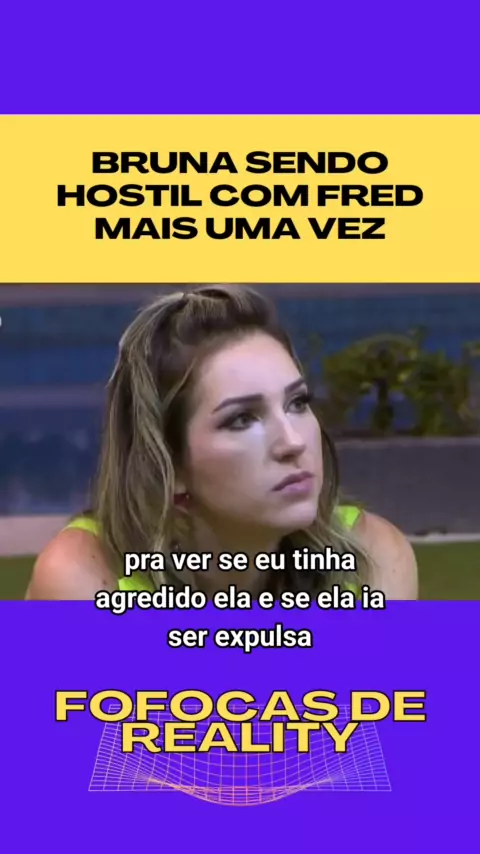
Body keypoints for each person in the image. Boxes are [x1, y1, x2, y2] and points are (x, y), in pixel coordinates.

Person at [26, 285, 418, 601]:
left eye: (297, 403)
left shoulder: (369, 560)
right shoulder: (86, 579)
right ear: (168, 462)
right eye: (242, 419)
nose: (293, 442)